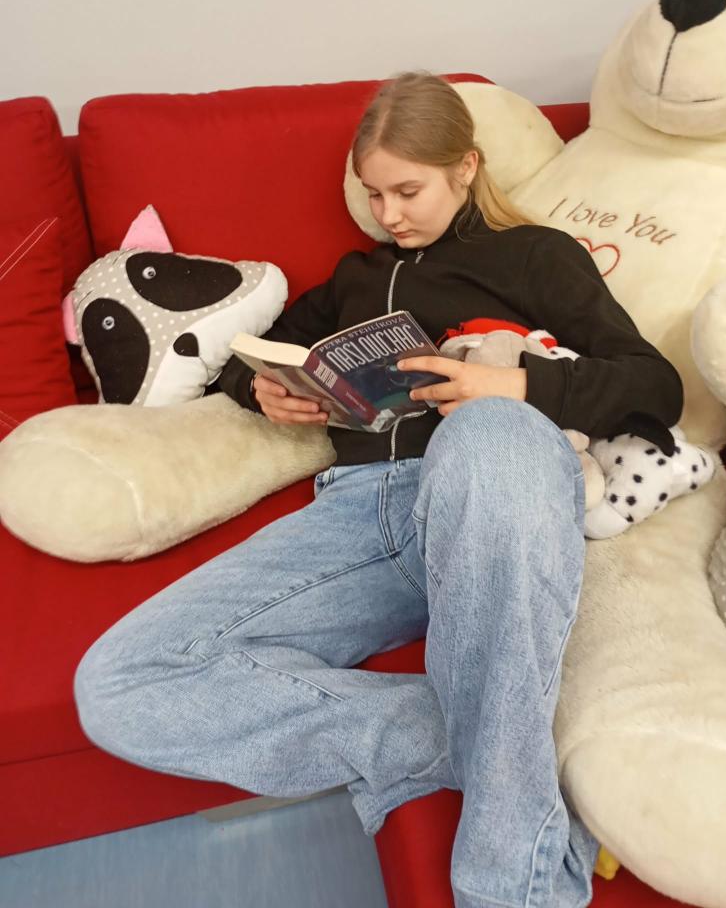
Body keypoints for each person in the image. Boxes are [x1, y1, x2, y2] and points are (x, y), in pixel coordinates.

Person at [74, 72, 683, 908]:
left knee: (486, 430)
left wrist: (513, 388)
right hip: (363, 510)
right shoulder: (354, 279)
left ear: (464, 167)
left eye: (408, 191)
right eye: (373, 193)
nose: (389, 213)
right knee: (118, 685)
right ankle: (498, 744)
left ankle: (510, 889)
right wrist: (265, 391)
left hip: (495, 486)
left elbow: (654, 385)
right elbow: (254, 357)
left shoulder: (535, 256)